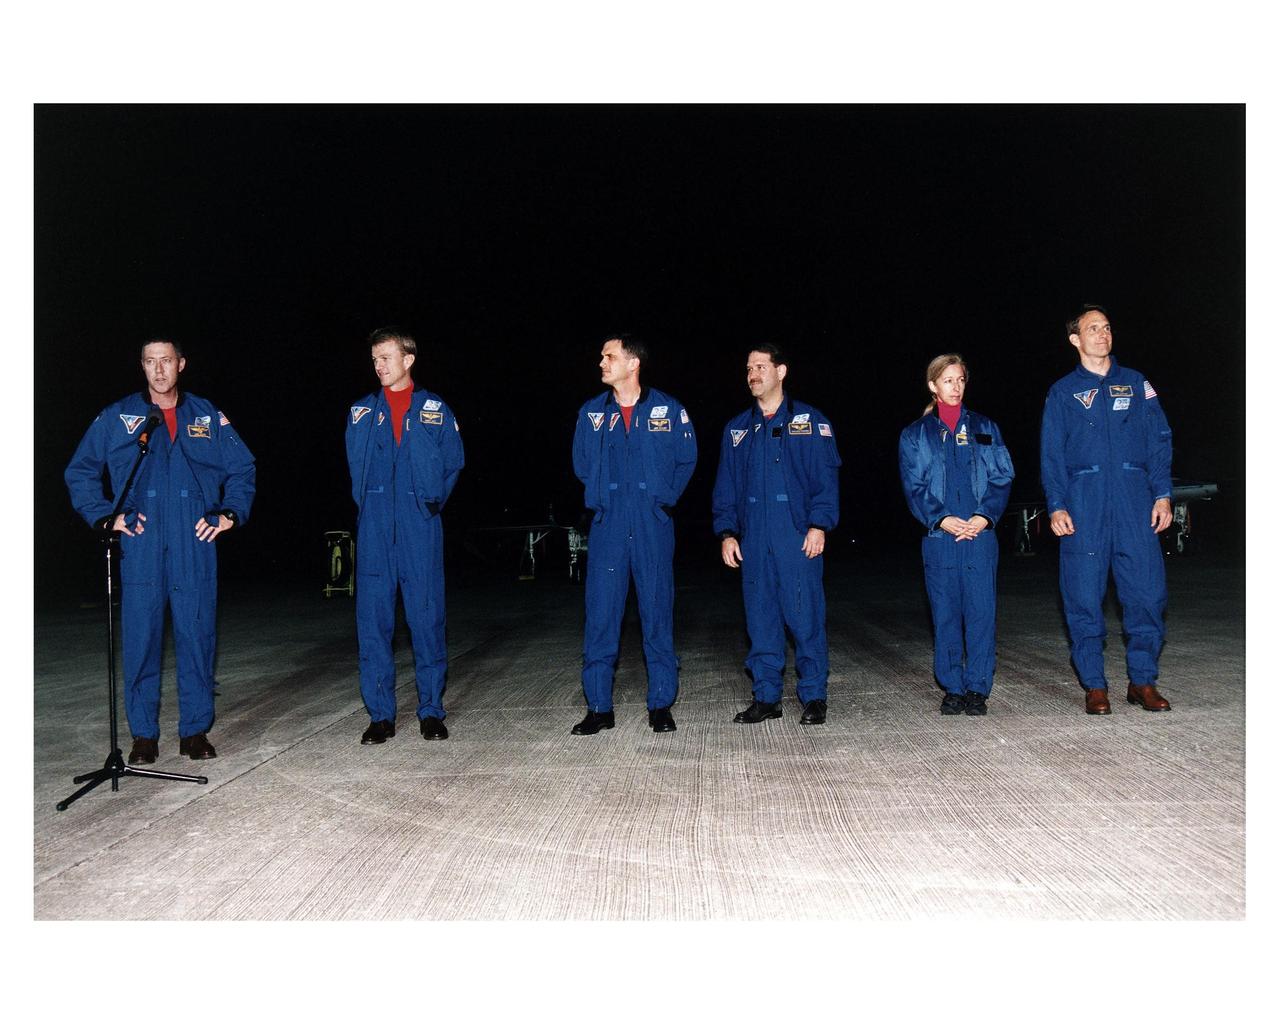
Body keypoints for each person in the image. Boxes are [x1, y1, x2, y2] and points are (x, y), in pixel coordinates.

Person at [65, 339, 256, 763]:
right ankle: (144, 737)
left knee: (197, 635)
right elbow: (80, 469)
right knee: (141, 639)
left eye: (166, 361)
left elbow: (243, 467)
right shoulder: (120, 416)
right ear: (143, 367)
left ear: (181, 364)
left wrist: (230, 514)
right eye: (150, 362)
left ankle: (194, 732)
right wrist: (105, 516)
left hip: (195, 539)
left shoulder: (206, 414)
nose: (159, 370)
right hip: (142, 539)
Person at [1041, 305, 1174, 715]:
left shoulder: (1136, 383)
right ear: (1075, 340)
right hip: (1085, 504)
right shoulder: (1063, 391)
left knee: (1147, 594)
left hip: (1135, 501)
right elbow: (1051, 453)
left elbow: (1159, 440)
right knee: (1082, 595)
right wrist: (1057, 504)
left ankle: (1143, 681)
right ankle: (1095, 685)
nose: (1102, 334)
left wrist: (1163, 493)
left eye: (1107, 327)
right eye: (1092, 328)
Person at [571, 333, 697, 734]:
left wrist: (662, 498)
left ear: (633, 363)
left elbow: (686, 459)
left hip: (651, 524)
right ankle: (599, 708)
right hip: (609, 525)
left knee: (656, 612)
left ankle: (660, 703)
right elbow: (582, 464)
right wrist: (602, 496)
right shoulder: (592, 413)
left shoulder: (668, 409)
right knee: (601, 615)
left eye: (610, 356)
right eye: (602, 355)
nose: (602, 362)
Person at [346, 327, 465, 744]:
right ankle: (380, 716)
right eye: (375, 359)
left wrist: (430, 504)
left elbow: (453, 463)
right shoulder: (361, 412)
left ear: (408, 359)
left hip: (419, 525)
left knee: (427, 618)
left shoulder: (434, 409)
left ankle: (431, 710)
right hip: (376, 527)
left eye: (387, 357)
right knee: (373, 623)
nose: (379, 365)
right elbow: (355, 472)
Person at [712, 345, 840, 725]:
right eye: (749, 367)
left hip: (796, 536)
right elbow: (726, 487)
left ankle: (814, 696)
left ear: (781, 371)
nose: (753, 373)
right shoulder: (737, 429)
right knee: (760, 619)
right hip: (753, 538)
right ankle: (766, 697)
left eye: (761, 366)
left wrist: (819, 525)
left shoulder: (810, 421)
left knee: (805, 617)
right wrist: (727, 532)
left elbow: (825, 480)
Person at [898, 354, 1014, 715]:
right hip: (941, 538)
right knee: (946, 613)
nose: (956, 387)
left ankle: (978, 688)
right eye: (948, 381)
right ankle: (952, 687)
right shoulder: (915, 435)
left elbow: (1002, 475)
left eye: (961, 380)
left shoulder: (985, 427)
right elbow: (914, 485)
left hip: (980, 536)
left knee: (981, 612)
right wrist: (941, 519)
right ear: (933, 386)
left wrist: (985, 516)